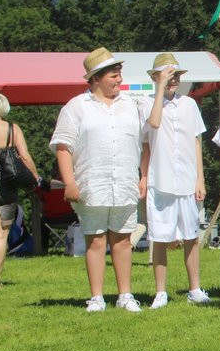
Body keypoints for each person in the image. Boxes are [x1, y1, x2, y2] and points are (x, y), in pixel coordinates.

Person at [50, 48, 147, 312]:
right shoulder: (76, 107)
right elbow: (63, 147)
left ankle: (125, 295)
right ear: (95, 78)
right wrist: (69, 182)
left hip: (125, 181)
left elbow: (147, 140)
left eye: (119, 74)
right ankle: (97, 297)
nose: (119, 79)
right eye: (113, 75)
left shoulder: (132, 104)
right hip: (92, 183)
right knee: (95, 240)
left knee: (123, 240)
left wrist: (144, 175)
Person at [140, 54, 209, 308]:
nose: (173, 81)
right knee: (160, 235)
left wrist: (199, 178)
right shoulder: (146, 103)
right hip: (161, 178)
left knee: (191, 235)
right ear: (156, 78)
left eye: (177, 76)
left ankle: (195, 288)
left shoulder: (189, 104)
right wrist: (159, 90)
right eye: (169, 76)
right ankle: (160, 292)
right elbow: (153, 126)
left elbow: (196, 140)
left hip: (187, 178)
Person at [0, 92, 39, 289]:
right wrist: (35, 178)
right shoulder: (13, 129)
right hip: (3, 187)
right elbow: (25, 157)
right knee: (0, 234)